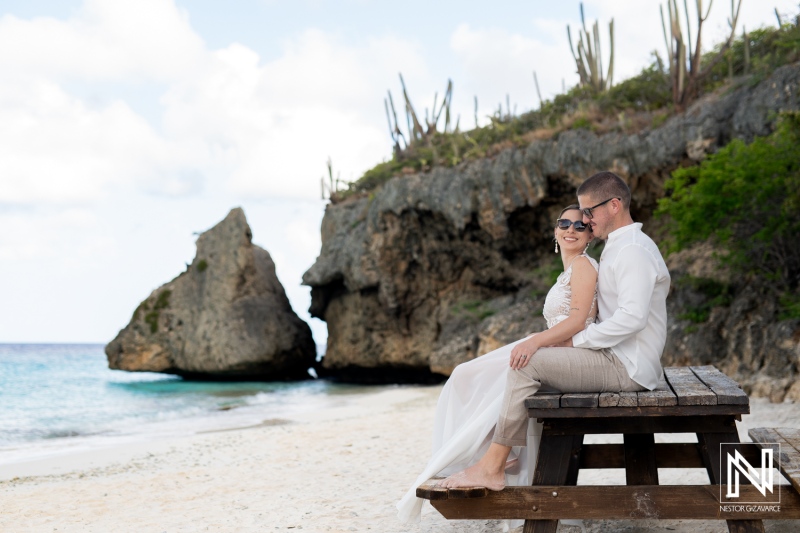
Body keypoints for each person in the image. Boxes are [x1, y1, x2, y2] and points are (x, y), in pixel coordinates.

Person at [435, 170, 670, 494]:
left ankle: (493, 467)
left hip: (627, 367)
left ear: (614, 205)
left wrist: (574, 340)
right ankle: (503, 456)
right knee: (526, 355)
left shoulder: (632, 250)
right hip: (617, 357)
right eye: (578, 214)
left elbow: (632, 318)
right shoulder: (616, 247)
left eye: (589, 212)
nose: (585, 220)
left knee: (528, 363)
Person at [397, 203, 599, 524]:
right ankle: (486, 457)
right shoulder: (568, 270)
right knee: (465, 374)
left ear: (591, 235)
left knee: (499, 375)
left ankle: (496, 461)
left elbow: (578, 321)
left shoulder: (585, 266)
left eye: (579, 226)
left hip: (565, 354)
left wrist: (535, 342)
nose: (570, 230)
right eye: (564, 223)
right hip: (550, 345)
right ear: (555, 231)